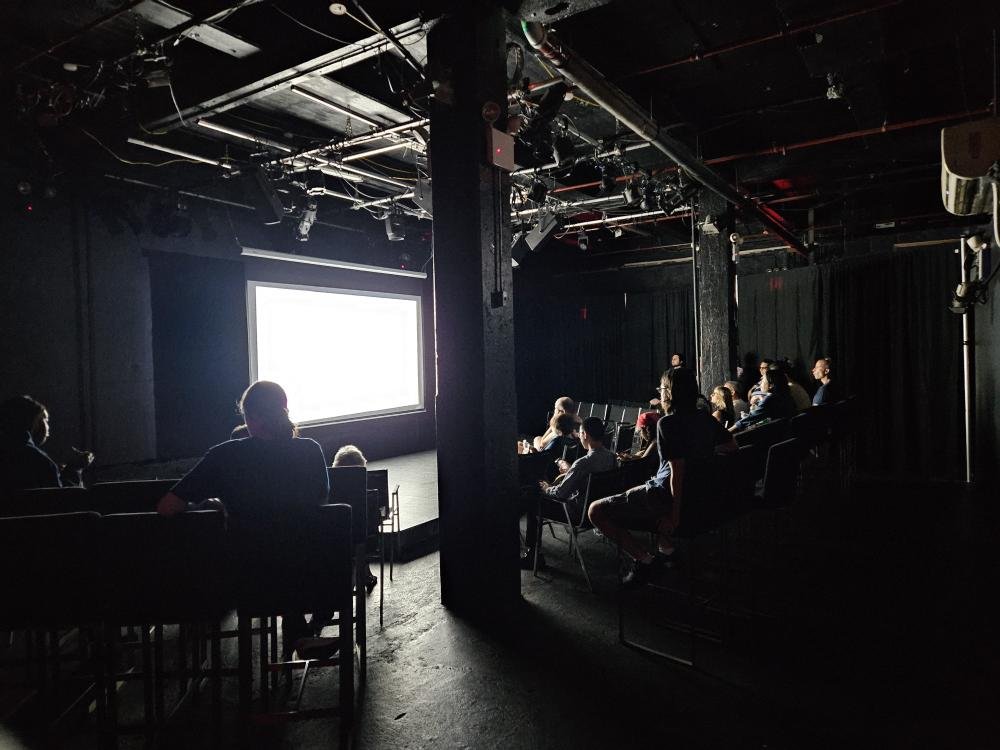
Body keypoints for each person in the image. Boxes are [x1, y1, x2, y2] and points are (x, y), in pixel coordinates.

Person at [157, 381, 329, 656]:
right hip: (312, 577)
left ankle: (297, 632)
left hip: (249, 582)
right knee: (288, 545)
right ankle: (300, 631)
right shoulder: (311, 451)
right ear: (284, 410)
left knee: (268, 550)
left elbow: (167, 507)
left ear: (250, 417)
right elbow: (320, 502)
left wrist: (209, 505)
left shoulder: (225, 456)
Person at [588, 367, 737, 585]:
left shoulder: (667, 423)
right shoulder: (705, 418)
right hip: (700, 494)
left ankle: (644, 560)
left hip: (664, 495)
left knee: (595, 510)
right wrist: (702, 460)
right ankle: (666, 551)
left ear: (668, 393)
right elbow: (732, 447)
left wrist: (675, 516)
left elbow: (677, 471)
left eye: (662, 388)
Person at [522, 417, 618, 569]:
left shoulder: (583, 463)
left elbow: (560, 494)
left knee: (534, 502)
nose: (579, 436)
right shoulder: (612, 457)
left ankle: (533, 556)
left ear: (585, 434)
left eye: (580, 433)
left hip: (575, 512)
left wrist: (547, 488)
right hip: (598, 511)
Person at [0, 395, 93, 498]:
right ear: (35, 422)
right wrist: (74, 470)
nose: (48, 427)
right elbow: (63, 506)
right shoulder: (42, 463)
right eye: (46, 419)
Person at [330, 444, 378, 595]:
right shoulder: (368, 497)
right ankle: (365, 574)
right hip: (359, 542)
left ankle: (365, 574)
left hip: (335, 543)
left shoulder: (330, 498)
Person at [730, 365, 796, 432]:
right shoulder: (785, 395)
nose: (760, 383)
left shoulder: (770, 400)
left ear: (771, 385)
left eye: (763, 381)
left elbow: (749, 419)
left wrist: (729, 431)